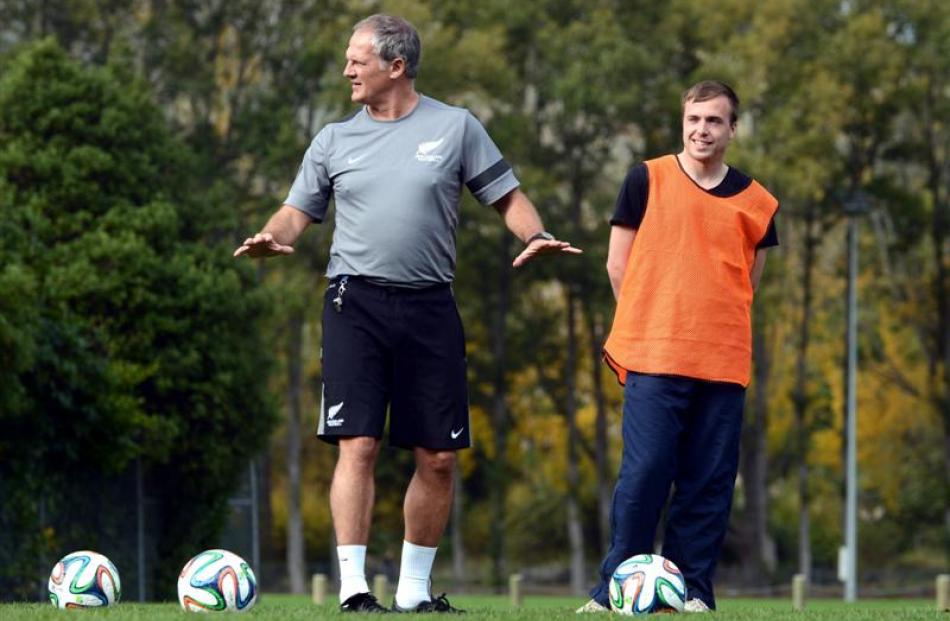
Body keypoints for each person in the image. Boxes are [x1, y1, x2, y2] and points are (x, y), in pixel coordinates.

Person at [234, 14, 580, 614]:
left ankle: (416, 593)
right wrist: (270, 236)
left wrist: (537, 233)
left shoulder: (456, 127)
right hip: (354, 303)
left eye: (357, 60)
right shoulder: (334, 139)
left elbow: (507, 197)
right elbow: (296, 212)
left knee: (438, 456)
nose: (347, 70)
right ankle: (353, 590)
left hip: (429, 308)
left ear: (396, 67)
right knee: (358, 443)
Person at [577, 80, 779, 614]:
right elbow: (617, 265)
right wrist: (651, 322)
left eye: (714, 121)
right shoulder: (645, 178)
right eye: (693, 119)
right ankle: (611, 591)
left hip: (723, 360)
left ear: (732, 128)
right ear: (683, 122)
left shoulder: (759, 202)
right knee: (644, 473)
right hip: (654, 356)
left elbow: (749, 280)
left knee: (708, 483)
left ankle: (695, 593)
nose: (701, 130)